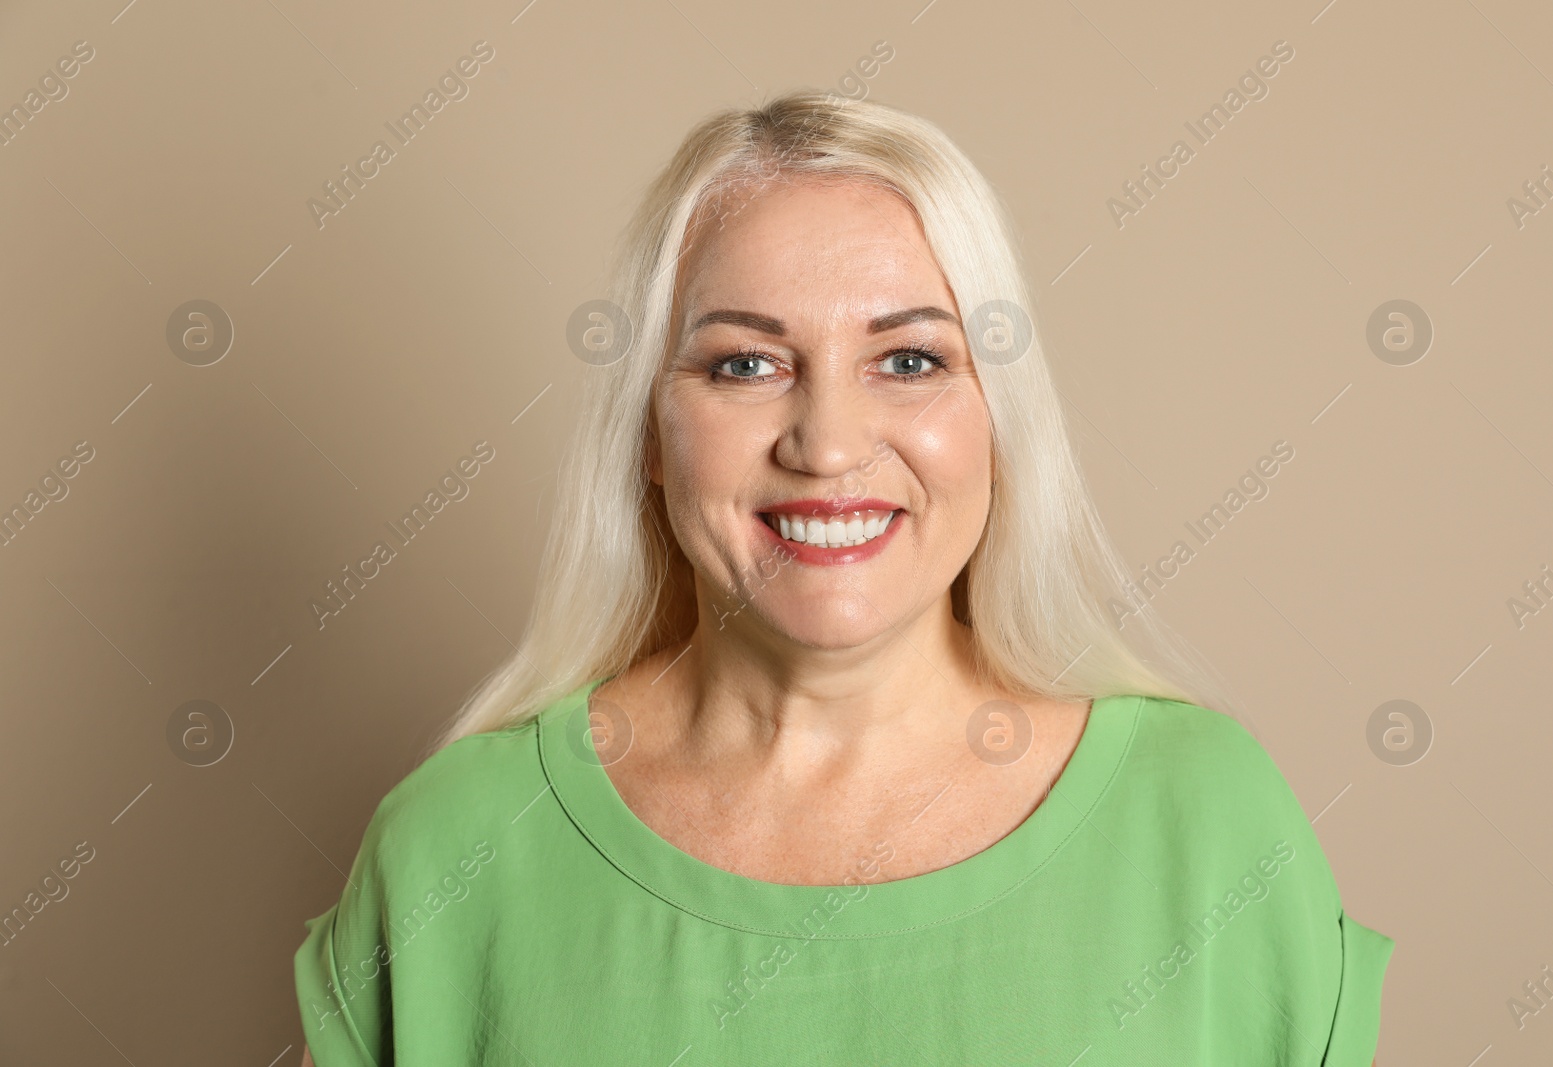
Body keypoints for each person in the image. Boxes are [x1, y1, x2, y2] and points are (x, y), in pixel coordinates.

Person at [294, 89, 1392, 1066]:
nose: (827, 443)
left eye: (909, 359)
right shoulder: (453, 849)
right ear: (648, 430)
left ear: (998, 422)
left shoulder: (1205, 824)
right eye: (745, 363)